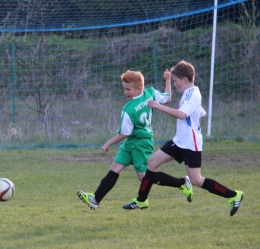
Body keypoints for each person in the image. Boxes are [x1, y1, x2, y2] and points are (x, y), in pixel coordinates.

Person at [123, 60, 244, 217]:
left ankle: (234, 195)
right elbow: (200, 113)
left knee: (196, 180)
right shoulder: (188, 93)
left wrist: (158, 106)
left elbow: (182, 114)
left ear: (185, 80)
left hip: (190, 144)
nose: (174, 84)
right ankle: (141, 200)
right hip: (179, 140)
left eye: (175, 81)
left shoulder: (193, 94)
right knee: (152, 162)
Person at [77, 69, 173, 210]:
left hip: (141, 143)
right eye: (124, 89)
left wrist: (108, 142)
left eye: (128, 89)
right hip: (131, 143)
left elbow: (124, 133)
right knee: (115, 168)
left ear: (138, 88)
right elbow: (168, 98)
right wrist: (168, 80)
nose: (125, 92)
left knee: (144, 177)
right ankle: (95, 199)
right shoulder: (150, 92)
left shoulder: (128, 109)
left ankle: (182, 183)